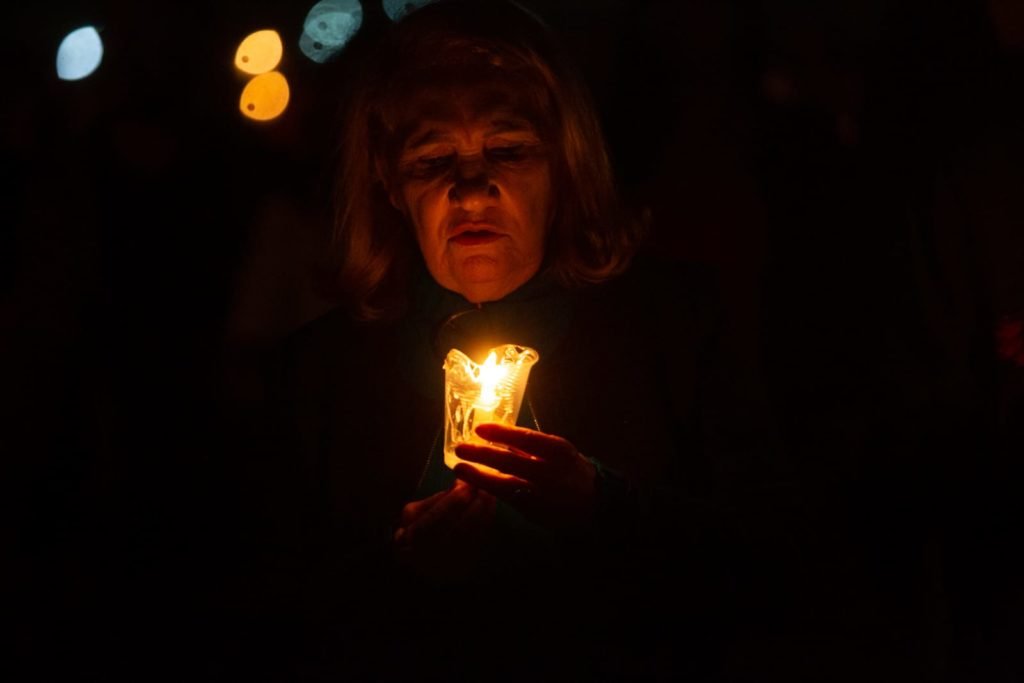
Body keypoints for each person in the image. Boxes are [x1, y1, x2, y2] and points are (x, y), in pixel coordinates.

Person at [228, 1, 767, 679]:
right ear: (388, 183)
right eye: (432, 159)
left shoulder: (675, 333)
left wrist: (603, 508)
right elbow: (261, 616)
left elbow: (765, 571)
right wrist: (400, 577)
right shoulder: (316, 377)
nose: (472, 190)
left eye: (508, 150)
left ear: (563, 165)